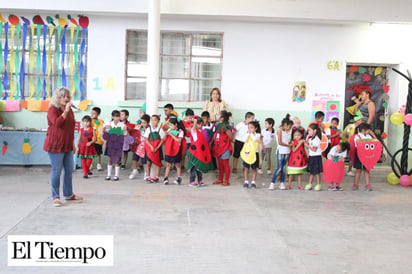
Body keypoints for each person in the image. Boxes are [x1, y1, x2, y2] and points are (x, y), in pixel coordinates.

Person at [43, 87, 83, 207]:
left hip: (67, 144)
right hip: (55, 145)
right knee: (57, 170)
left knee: (69, 170)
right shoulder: (52, 110)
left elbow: (70, 128)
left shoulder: (70, 110)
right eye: (63, 96)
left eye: (67, 97)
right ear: (58, 98)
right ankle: (55, 196)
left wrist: (72, 144)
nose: (66, 99)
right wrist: (65, 110)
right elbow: (58, 124)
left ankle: (69, 194)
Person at [187, 116, 214, 187]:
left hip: (200, 153)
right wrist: (194, 121)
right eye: (197, 124)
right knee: (194, 168)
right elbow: (193, 128)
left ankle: (200, 181)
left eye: (200, 124)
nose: (199, 125)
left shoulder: (200, 131)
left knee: (200, 167)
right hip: (194, 153)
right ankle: (192, 181)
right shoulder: (194, 131)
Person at [268, 114, 293, 190]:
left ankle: (282, 183)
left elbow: (286, 141)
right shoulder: (279, 131)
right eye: (289, 126)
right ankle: (272, 183)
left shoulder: (286, 132)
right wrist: (289, 145)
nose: (290, 128)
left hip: (287, 152)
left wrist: (289, 145)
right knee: (279, 168)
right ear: (285, 125)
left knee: (283, 168)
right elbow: (280, 142)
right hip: (281, 151)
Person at [212, 110, 234, 186]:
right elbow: (216, 135)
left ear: (222, 118)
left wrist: (232, 140)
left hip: (225, 147)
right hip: (218, 147)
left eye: (218, 114)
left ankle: (227, 180)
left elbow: (230, 135)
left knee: (225, 164)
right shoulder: (218, 125)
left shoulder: (226, 126)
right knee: (220, 164)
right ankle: (220, 179)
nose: (216, 115)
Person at [104, 110, 126, 181]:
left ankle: (116, 175)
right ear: (112, 117)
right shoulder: (109, 124)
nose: (116, 118)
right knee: (110, 159)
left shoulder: (122, 125)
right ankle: (108, 175)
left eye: (118, 116)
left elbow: (125, 134)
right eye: (115, 116)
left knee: (117, 160)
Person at [353, 123, 376, 191]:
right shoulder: (357, 136)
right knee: (358, 170)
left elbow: (376, 142)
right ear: (363, 130)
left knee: (367, 170)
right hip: (359, 155)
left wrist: (373, 135)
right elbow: (358, 145)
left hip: (367, 155)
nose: (369, 131)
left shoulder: (369, 136)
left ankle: (368, 184)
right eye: (368, 130)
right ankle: (356, 184)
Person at [163, 117, 185, 185]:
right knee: (168, 164)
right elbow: (164, 139)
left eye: (171, 125)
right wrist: (165, 134)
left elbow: (179, 140)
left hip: (176, 149)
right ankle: (166, 178)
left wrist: (171, 135)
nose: (169, 126)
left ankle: (179, 178)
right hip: (169, 149)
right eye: (169, 125)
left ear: (176, 125)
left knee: (177, 164)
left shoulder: (180, 131)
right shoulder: (169, 130)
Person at [144, 114, 165, 183]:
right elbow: (146, 139)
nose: (153, 122)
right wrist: (151, 146)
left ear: (158, 121)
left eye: (155, 120)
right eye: (152, 120)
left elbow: (162, 140)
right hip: (150, 148)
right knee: (148, 162)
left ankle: (156, 177)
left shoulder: (160, 130)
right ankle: (148, 176)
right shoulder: (148, 129)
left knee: (158, 162)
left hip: (157, 148)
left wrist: (157, 147)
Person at [241, 121, 262, 189]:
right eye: (248, 127)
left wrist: (251, 134)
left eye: (251, 128)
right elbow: (244, 140)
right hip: (247, 153)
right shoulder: (247, 134)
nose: (249, 129)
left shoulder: (258, 135)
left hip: (254, 154)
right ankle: (246, 181)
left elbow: (255, 139)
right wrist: (248, 134)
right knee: (246, 168)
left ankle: (253, 182)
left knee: (254, 168)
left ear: (255, 128)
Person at [129, 114, 150, 180]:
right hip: (138, 146)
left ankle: (146, 173)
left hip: (146, 146)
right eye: (142, 122)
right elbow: (133, 132)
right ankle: (134, 170)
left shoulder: (150, 129)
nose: (143, 124)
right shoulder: (138, 127)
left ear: (148, 122)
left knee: (145, 161)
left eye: (144, 123)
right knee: (134, 159)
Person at [305, 123, 323, 191]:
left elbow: (314, 149)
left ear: (315, 131)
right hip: (311, 157)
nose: (308, 132)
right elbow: (309, 147)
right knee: (311, 172)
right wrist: (306, 143)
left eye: (310, 130)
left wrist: (307, 146)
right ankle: (310, 184)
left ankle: (319, 184)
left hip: (316, 157)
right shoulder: (310, 138)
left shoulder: (317, 139)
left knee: (317, 172)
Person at [91, 107, 104, 171]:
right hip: (91, 140)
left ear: (98, 114)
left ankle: (98, 164)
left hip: (98, 140)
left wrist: (101, 140)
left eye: (94, 113)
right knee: (90, 153)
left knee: (98, 153)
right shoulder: (89, 121)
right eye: (92, 113)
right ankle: (90, 164)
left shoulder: (100, 121)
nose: (92, 114)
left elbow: (101, 130)